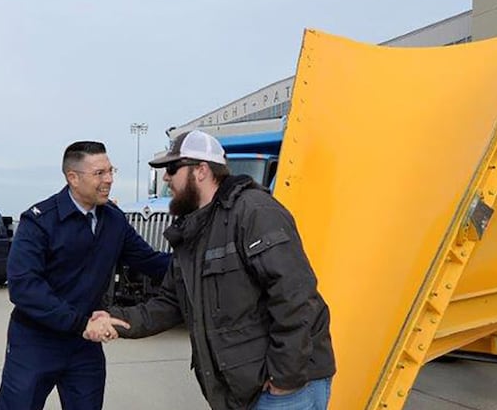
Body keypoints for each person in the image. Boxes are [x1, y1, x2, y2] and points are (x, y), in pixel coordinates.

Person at [87, 130, 336, 410]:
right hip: (246, 389)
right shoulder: (193, 231)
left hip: (284, 389)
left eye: (172, 169)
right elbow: (168, 304)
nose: (167, 178)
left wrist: (284, 379)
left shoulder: (255, 212)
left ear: (201, 171)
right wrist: (114, 320)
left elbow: (295, 297)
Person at [0, 141, 171, 410]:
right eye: (100, 173)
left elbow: (151, 262)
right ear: (73, 178)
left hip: (83, 347)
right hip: (35, 342)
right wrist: (80, 323)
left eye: (111, 171)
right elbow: (24, 287)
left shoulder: (113, 221)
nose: (109, 180)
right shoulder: (39, 222)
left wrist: (202, 261)